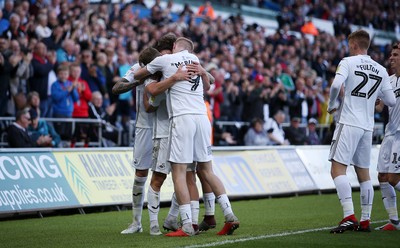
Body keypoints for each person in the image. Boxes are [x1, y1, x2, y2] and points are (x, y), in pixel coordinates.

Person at [134, 37, 239, 237]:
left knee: (179, 173)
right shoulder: (196, 61)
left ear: (174, 48)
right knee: (206, 171)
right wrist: (204, 72)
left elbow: (141, 77)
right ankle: (229, 214)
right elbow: (208, 87)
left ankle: (188, 225)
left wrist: (166, 78)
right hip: (202, 118)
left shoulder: (165, 60)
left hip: (182, 119)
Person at [327, 30, 396, 234]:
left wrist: (332, 105)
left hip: (348, 122)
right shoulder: (381, 69)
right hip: (368, 126)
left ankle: (349, 215)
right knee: (363, 173)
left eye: (350, 45)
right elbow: (391, 101)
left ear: (354, 45)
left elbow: (336, 85)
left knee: (337, 170)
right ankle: (365, 220)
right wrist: (375, 100)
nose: (348, 48)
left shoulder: (347, 62)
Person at [116, 47, 160, 235]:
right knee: (140, 174)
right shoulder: (137, 68)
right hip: (144, 127)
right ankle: (136, 222)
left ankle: (175, 218)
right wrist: (137, 81)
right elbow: (117, 88)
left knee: (176, 173)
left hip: (166, 127)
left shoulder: (166, 67)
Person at [375, 43, 400, 231]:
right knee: (382, 176)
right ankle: (394, 221)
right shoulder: (388, 81)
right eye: (391, 54)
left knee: (393, 178)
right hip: (389, 133)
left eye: (395, 54)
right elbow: (380, 107)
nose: (391, 58)